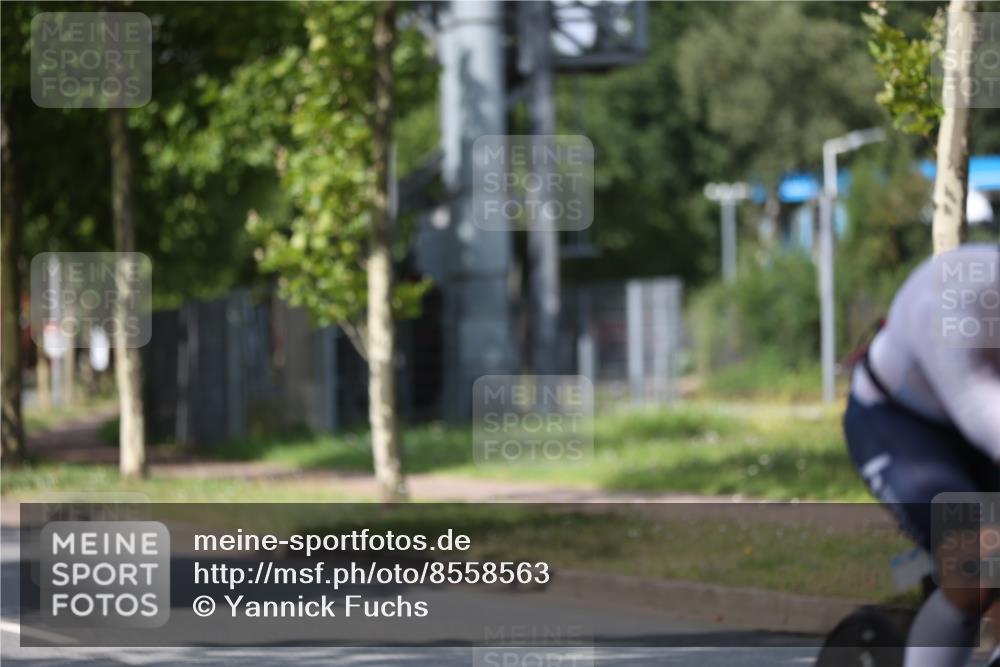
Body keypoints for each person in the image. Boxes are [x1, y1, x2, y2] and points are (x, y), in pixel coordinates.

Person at [843, 243, 1000, 667]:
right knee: (976, 569)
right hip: (898, 424)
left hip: (976, 425)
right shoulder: (951, 301)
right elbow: (980, 411)